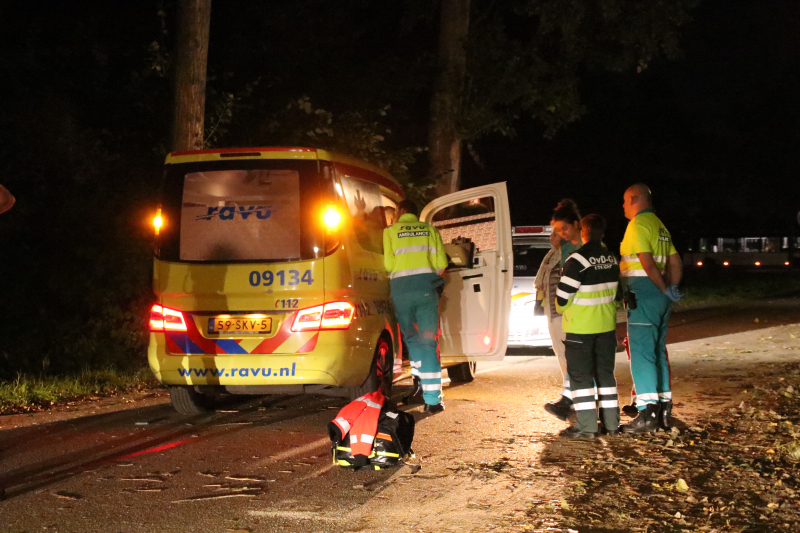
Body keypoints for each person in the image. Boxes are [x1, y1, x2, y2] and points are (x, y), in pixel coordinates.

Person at [619, 183, 683, 434]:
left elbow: (646, 262)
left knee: (642, 353)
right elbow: (675, 261)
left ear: (634, 199)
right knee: (657, 352)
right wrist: (670, 289)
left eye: (625, 201)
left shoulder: (638, 225)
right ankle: (664, 408)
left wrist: (661, 287)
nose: (623, 206)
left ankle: (647, 412)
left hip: (643, 294)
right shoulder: (660, 225)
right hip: (660, 299)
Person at [555, 214, 621, 439]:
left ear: (584, 232)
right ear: (602, 233)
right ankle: (611, 425)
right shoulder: (611, 259)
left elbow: (562, 298)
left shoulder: (577, 261)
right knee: (606, 376)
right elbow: (617, 293)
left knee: (581, 376)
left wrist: (561, 306)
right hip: (606, 327)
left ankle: (587, 427)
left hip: (581, 329)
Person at [383, 199, 449, 413]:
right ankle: (433, 401)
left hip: (401, 293)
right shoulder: (430, 230)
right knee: (429, 343)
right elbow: (441, 264)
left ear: (400, 211)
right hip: (425, 292)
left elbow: (388, 265)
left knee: (412, 340)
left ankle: (419, 387)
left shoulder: (390, 232)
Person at [541, 199, 583, 420]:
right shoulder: (563, 249)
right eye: (557, 230)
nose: (558, 234)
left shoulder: (577, 248)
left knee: (574, 357)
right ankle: (571, 401)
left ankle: (573, 402)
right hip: (562, 309)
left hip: (572, 312)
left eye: (562, 229)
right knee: (567, 356)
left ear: (576, 224)